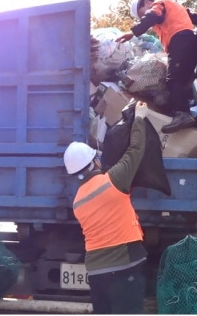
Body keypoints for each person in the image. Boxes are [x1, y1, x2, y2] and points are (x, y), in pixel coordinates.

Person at [62, 100, 150, 314]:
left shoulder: (78, 202)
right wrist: (139, 117)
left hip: (96, 273)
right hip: (125, 266)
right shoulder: (112, 181)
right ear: (94, 163)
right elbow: (136, 150)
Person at [116, 0, 197, 133]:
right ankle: (188, 115)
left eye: (141, 13)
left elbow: (152, 15)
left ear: (146, 3)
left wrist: (132, 33)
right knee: (184, 81)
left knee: (173, 80)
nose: (144, 16)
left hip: (181, 41)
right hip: (189, 42)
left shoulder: (159, 5)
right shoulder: (177, 8)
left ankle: (182, 114)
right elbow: (195, 17)